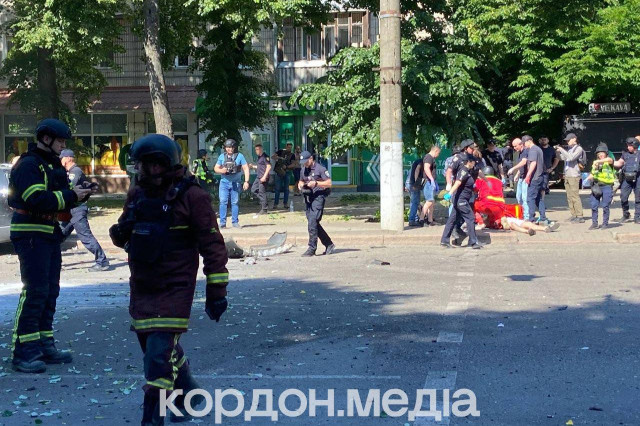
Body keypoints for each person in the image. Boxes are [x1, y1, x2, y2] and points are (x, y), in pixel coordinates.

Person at [109, 134, 229, 425]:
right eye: (138, 165)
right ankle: (190, 394)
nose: (139, 170)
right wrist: (123, 229)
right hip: (143, 286)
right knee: (157, 350)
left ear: (160, 164)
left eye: (144, 164)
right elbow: (123, 234)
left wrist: (217, 292)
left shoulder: (193, 196)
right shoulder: (138, 194)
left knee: (157, 360)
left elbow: (213, 246)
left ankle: (152, 419)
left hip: (175, 288)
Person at [8, 119, 92, 373]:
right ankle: (24, 352)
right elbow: (35, 199)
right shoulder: (29, 164)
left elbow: (61, 200)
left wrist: (82, 193)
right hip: (30, 232)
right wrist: (70, 195)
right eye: (60, 140)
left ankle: (44, 345)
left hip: (48, 232)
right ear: (46, 139)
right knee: (34, 291)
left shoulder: (52, 164)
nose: (63, 145)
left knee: (49, 291)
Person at [59, 149, 110, 272]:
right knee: (57, 236)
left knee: (85, 237)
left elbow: (69, 188)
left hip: (77, 210)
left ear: (68, 158)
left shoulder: (75, 171)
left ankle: (102, 261)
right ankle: (54, 263)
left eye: (61, 158)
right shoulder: (69, 172)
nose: (60, 160)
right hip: (69, 210)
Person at [441, 154, 483, 249]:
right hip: (461, 200)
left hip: (460, 199)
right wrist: (449, 193)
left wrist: (486, 180)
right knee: (470, 218)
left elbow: (478, 174)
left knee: (452, 220)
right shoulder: (464, 171)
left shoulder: (468, 170)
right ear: (469, 162)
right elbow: (457, 183)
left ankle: (444, 240)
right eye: (473, 162)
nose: (474, 164)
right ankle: (473, 242)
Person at [298, 150, 335, 256]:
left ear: (311, 159)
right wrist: (300, 185)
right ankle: (329, 244)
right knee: (313, 223)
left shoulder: (320, 168)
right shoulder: (303, 169)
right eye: (303, 162)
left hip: (319, 197)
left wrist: (316, 183)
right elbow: (301, 180)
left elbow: (329, 183)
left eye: (306, 161)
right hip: (308, 198)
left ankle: (312, 248)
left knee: (312, 221)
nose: (305, 164)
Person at [214, 139, 250, 228]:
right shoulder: (222, 156)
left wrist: (246, 181)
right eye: (227, 147)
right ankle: (222, 223)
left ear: (234, 147)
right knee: (223, 202)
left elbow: (246, 168)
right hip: (224, 183)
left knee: (235, 202)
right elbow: (216, 168)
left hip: (235, 182)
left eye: (230, 147)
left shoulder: (240, 156)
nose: (229, 149)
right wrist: (222, 170)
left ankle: (235, 222)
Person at [556, 133, 586, 222]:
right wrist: (557, 152)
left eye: (569, 140)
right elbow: (562, 158)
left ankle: (580, 216)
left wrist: (562, 149)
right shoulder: (569, 149)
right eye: (567, 140)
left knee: (575, 196)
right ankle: (573, 214)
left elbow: (571, 157)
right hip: (567, 175)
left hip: (574, 175)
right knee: (569, 196)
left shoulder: (579, 149)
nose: (567, 142)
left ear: (574, 139)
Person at [585, 143, 615, 230]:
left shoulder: (609, 162)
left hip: (607, 186)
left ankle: (605, 223)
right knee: (594, 205)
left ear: (606, 153)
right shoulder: (595, 164)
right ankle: (594, 223)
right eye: (598, 154)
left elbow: (610, 160)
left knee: (605, 206)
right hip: (597, 186)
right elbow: (592, 173)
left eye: (602, 153)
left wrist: (597, 161)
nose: (600, 155)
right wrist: (588, 178)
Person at [613, 137, 640, 224]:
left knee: (638, 199)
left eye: (630, 146)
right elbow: (619, 163)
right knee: (623, 197)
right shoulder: (625, 154)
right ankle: (626, 214)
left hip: (638, 178)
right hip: (627, 178)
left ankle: (637, 217)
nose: (628, 147)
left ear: (635, 145)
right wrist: (610, 161)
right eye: (627, 145)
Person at [522, 135, 544, 222]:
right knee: (538, 198)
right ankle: (543, 217)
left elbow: (533, 163)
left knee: (530, 198)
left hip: (535, 178)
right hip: (540, 177)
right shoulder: (538, 149)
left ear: (529, 141)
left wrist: (528, 175)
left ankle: (531, 218)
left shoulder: (533, 150)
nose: (524, 145)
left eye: (524, 143)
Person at [507, 138, 530, 221]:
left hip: (525, 177)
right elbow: (522, 166)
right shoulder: (520, 152)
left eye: (515, 146)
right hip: (521, 177)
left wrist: (513, 169)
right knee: (518, 196)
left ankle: (527, 216)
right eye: (513, 146)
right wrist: (517, 174)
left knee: (524, 197)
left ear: (521, 144)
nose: (514, 148)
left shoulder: (526, 151)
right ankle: (522, 213)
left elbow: (524, 162)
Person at [538, 136, 559, 225]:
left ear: (548, 140)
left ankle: (542, 203)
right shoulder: (537, 149)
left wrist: (552, 168)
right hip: (537, 171)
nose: (543, 141)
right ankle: (539, 204)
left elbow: (556, 159)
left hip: (546, 172)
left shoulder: (551, 150)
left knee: (543, 189)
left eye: (545, 139)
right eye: (542, 139)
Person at [421, 145, 442, 226]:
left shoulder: (430, 158)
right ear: (435, 151)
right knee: (429, 201)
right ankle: (421, 219)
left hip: (430, 182)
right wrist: (432, 179)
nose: (438, 155)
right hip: (428, 182)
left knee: (432, 202)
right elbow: (426, 168)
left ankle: (430, 220)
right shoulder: (429, 157)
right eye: (438, 153)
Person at [272, 143, 295, 209]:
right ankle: (275, 204)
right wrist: (280, 158)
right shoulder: (280, 151)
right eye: (288, 147)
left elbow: (293, 164)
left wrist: (287, 167)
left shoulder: (292, 155)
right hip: (279, 171)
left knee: (286, 189)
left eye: (290, 147)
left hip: (287, 172)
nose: (289, 149)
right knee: (277, 188)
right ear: (286, 147)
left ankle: (285, 203)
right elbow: (273, 157)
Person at [250, 144, 271, 216]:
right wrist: (252, 166)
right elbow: (260, 167)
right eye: (255, 150)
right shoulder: (259, 157)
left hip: (263, 177)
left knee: (262, 192)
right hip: (258, 177)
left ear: (261, 149)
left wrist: (264, 177)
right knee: (253, 190)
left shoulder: (265, 157)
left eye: (258, 149)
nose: (256, 151)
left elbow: (268, 166)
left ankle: (264, 209)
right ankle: (264, 202)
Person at [405, 155, 425, 227]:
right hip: (413, 184)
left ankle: (414, 219)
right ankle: (412, 220)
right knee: (415, 202)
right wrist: (416, 183)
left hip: (409, 183)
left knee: (413, 202)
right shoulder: (420, 162)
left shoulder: (417, 161)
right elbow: (417, 170)